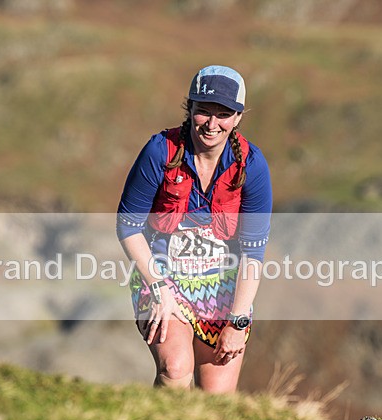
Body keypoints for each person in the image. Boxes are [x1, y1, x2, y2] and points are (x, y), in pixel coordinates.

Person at [116, 65, 272, 393]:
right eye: (203, 112)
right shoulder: (160, 150)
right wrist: (158, 288)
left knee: (216, 399)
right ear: (191, 109)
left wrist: (238, 320)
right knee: (175, 369)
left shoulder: (252, 165)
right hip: (160, 276)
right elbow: (128, 225)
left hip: (224, 285)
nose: (212, 124)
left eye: (224, 114)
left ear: (238, 117)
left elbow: (253, 251)